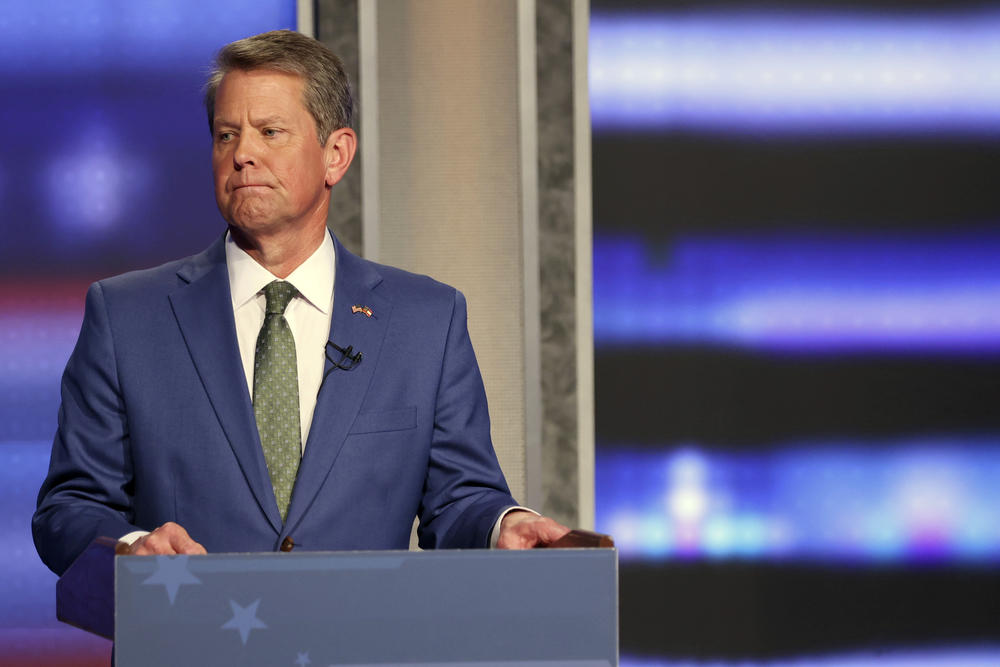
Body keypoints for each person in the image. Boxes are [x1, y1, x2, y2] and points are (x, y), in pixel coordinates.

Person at [33, 29, 567, 576]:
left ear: (336, 155)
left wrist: (503, 524)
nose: (242, 154)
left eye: (270, 132)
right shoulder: (127, 317)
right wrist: (131, 547)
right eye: (225, 135)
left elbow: (459, 500)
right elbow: (66, 510)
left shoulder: (426, 320)